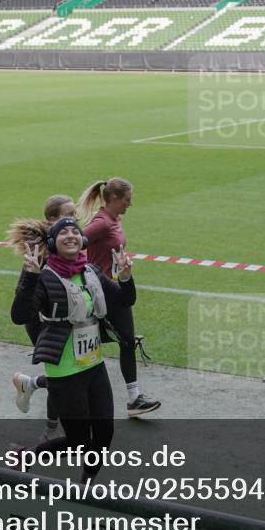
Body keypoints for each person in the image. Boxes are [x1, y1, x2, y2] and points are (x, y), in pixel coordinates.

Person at [9, 216, 135, 483]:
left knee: (104, 434)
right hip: (64, 370)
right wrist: (29, 277)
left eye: (75, 231)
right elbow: (20, 315)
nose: (71, 235)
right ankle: (28, 457)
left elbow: (125, 299)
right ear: (54, 243)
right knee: (79, 441)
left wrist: (126, 277)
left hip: (93, 364)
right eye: (63, 232)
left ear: (83, 240)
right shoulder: (44, 277)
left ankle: (85, 486)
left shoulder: (90, 271)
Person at [76, 178, 160, 417]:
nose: (130, 204)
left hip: (112, 286)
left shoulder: (114, 219)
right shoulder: (101, 223)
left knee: (119, 339)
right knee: (124, 340)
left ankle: (132, 397)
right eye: (127, 199)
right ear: (113, 198)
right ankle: (134, 399)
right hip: (105, 290)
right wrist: (87, 270)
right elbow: (76, 242)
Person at [7, 194, 78, 441]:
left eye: (75, 215)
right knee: (63, 374)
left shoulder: (67, 244)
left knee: (70, 373)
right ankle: (51, 428)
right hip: (41, 322)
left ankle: (30, 383)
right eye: (69, 215)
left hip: (64, 321)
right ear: (52, 219)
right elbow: (23, 296)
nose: (75, 220)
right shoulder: (39, 250)